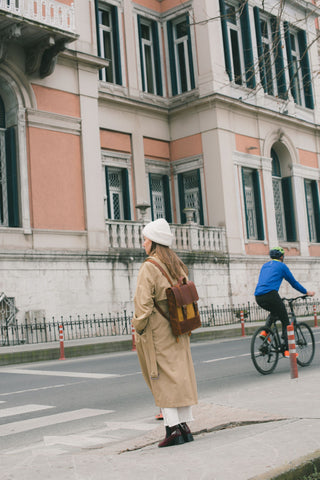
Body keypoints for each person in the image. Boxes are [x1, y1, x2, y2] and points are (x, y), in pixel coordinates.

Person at [133, 218, 198, 448]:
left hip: (158, 331)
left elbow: (143, 304)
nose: (143, 244)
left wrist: (137, 327)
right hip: (179, 328)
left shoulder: (150, 266)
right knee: (180, 376)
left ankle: (172, 430)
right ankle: (184, 426)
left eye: (145, 240)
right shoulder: (177, 265)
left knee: (162, 378)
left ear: (154, 243)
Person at [254, 247, 315, 357]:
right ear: (281, 256)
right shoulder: (282, 266)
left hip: (258, 296)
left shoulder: (265, 265)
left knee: (275, 312)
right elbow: (293, 283)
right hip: (271, 294)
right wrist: (306, 292)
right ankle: (287, 349)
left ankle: (265, 332)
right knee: (286, 320)